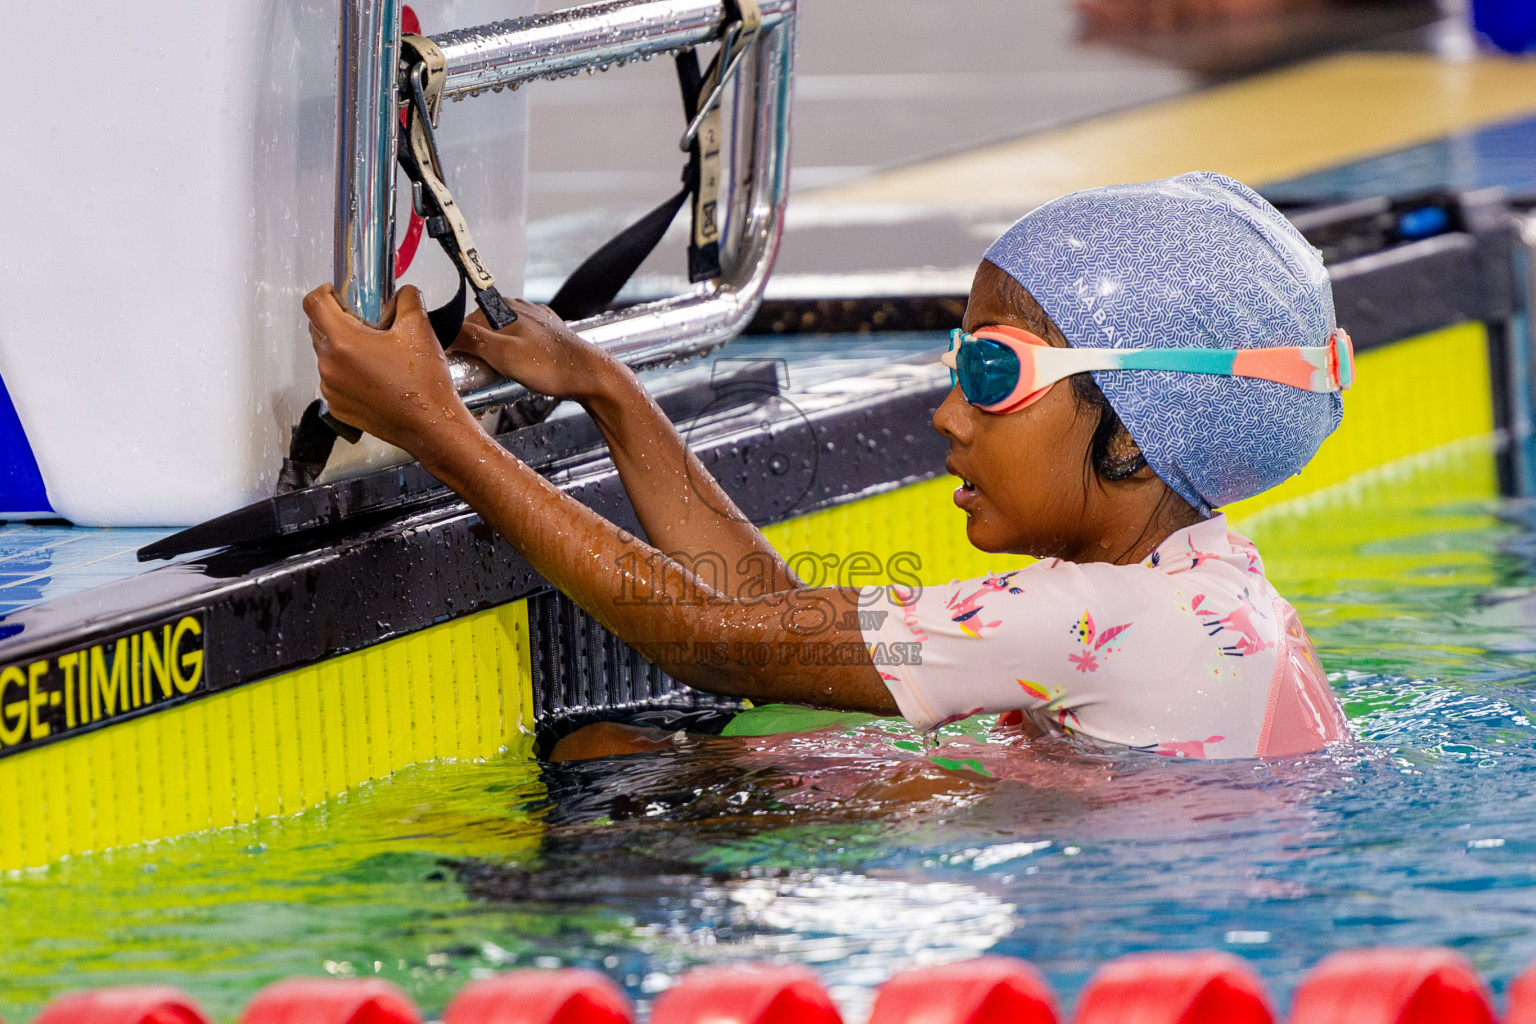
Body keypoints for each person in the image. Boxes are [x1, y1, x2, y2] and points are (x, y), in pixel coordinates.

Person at [304, 170, 1350, 763]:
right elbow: (765, 622)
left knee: (608, 763)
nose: (948, 414)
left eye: (991, 372)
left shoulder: (1086, 618)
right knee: (704, 757)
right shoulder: (1193, 585)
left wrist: (441, 431)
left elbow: (716, 642)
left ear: (1132, 427)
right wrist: (606, 388)